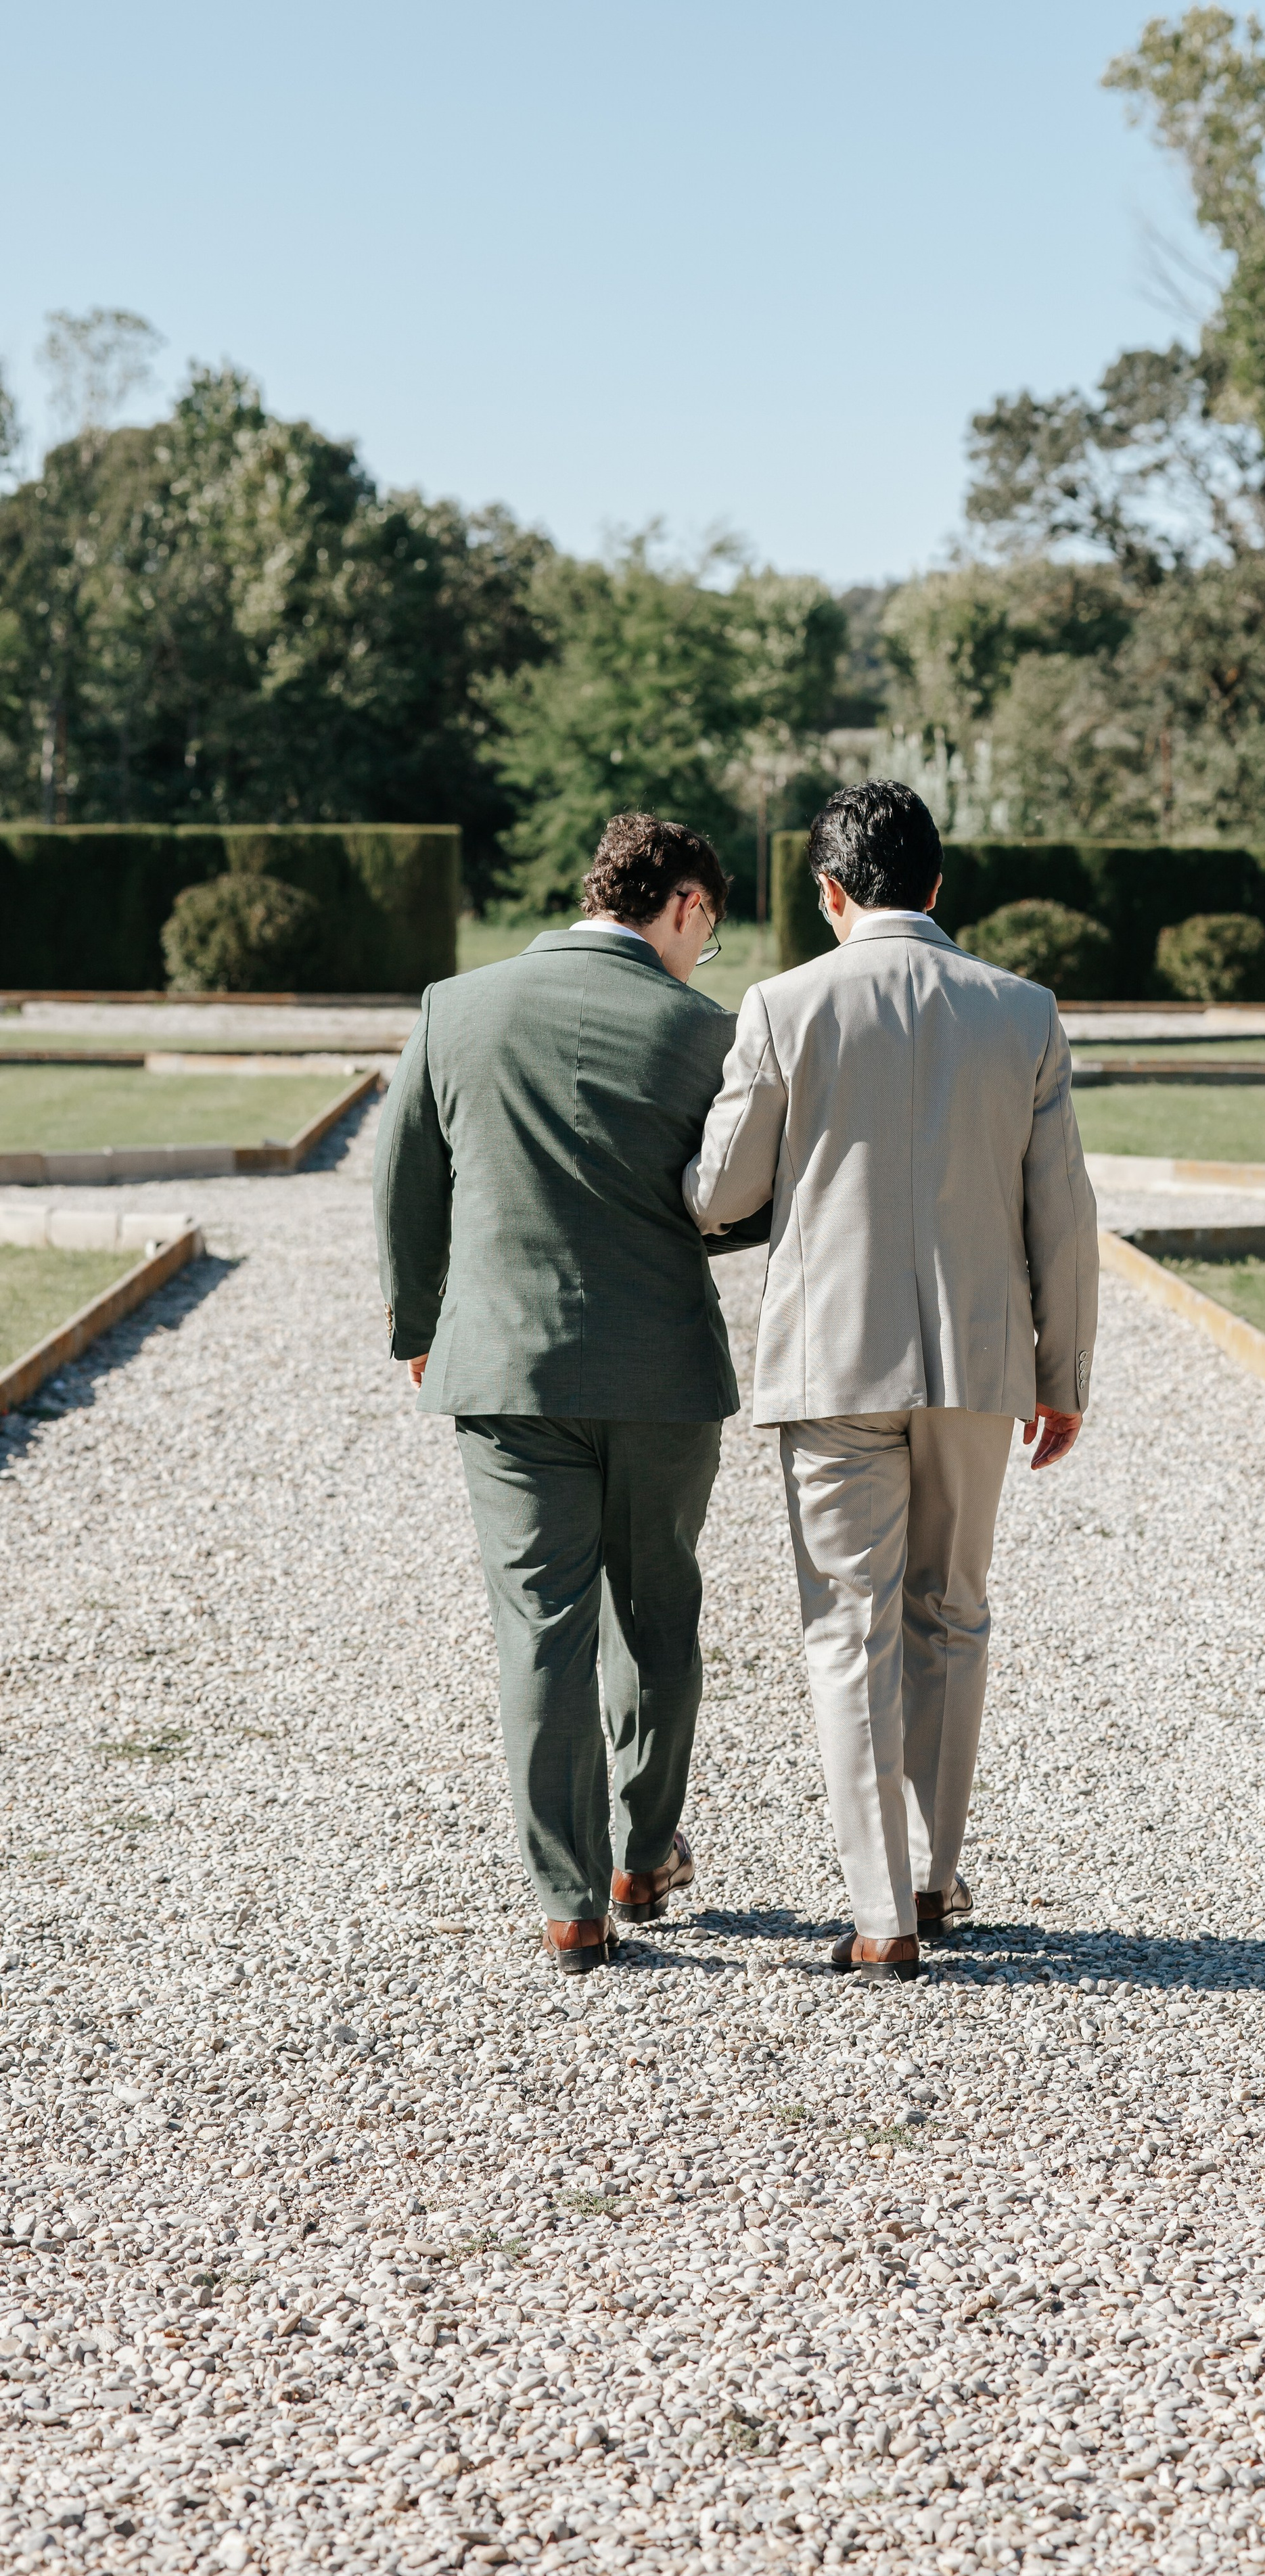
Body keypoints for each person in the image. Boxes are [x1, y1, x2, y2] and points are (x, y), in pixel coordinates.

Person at [683, 780, 1098, 1981]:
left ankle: (882, 1915)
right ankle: (935, 1869)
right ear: (936, 886)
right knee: (953, 1613)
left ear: (828, 893)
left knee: (846, 1628)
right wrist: (1060, 1375)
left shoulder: (781, 1005)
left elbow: (720, 1197)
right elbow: (1062, 1215)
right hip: (977, 1363)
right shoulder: (1023, 1011)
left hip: (831, 1361)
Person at [373, 814, 766, 1977]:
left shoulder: (458, 1006)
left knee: (541, 1626)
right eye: (710, 930)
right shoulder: (709, 1033)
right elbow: (744, 1201)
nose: (708, 953)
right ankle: (647, 1855)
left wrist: (417, 1324)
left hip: (507, 1369)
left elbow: (405, 1182)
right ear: (685, 906)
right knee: (656, 1614)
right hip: (663, 1375)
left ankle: (569, 1901)